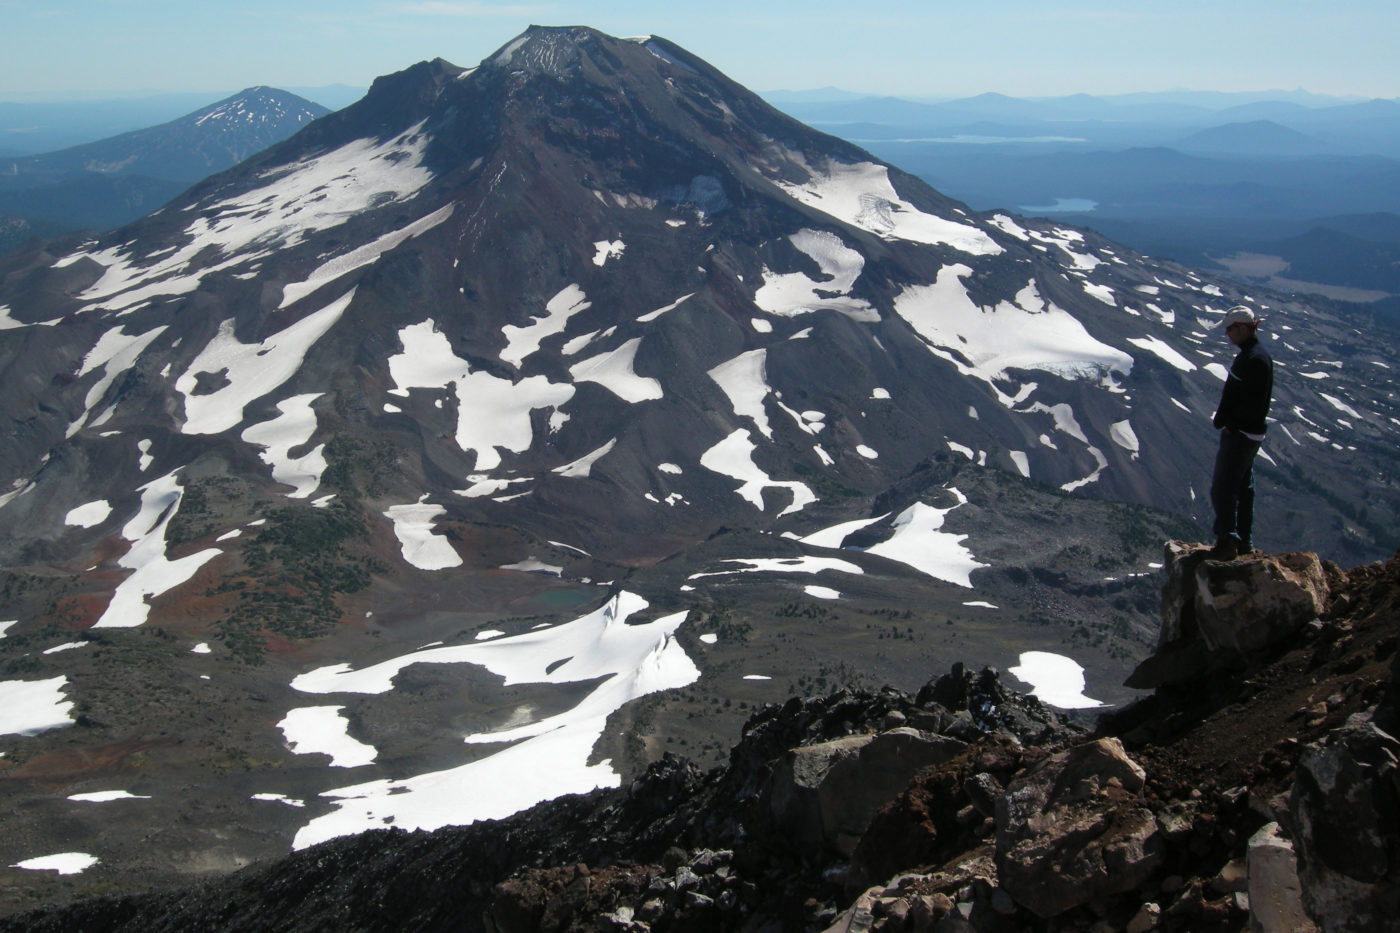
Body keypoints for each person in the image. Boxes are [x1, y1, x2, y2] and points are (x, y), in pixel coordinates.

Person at [1209, 305, 1273, 559]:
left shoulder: (1254, 360)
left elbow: (1252, 401)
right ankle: (1244, 541)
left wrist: (1232, 423)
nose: (1228, 334)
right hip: (1249, 433)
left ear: (1245, 328)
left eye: (1231, 329)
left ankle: (1228, 540)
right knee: (1243, 487)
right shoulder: (1253, 355)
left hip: (1242, 434)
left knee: (1223, 487)